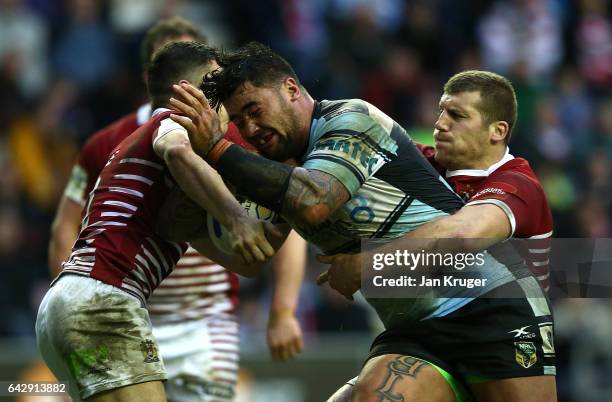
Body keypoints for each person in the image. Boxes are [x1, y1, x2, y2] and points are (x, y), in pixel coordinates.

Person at [168, 43, 553, 402]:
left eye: (255, 111)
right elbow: (254, 255)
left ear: (290, 89)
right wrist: (180, 196)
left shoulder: (351, 120)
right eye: (239, 121)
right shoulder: (280, 165)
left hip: (487, 307)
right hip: (412, 327)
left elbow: (313, 203)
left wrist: (219, 150)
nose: (249, 129)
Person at [47, 17, 305, 402]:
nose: (229, 104)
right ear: (187, 92)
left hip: (102, 306)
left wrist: (274, 228)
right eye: (218, 88)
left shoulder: (151, 162)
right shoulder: (169, 123)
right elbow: (177, 150)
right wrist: (236, 218)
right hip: (106, 303)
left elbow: (243, 260)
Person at [319, 70, 556, 401]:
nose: (441, 124)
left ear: (497, 131)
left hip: (499, 331)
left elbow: (464, 232)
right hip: (423, 329)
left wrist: (364, 265)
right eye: (441, 111)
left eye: (457, 115)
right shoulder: (421, 165)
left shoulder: (518, 185)